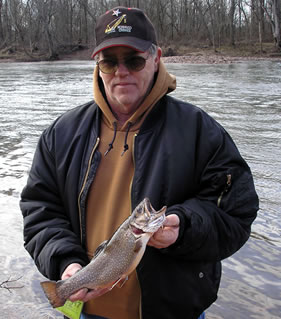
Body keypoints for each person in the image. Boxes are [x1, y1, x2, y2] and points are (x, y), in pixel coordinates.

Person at [20, 6, 259, 319]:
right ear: (97, 65)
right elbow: (40, 213)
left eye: (133, 60)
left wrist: (183, 228)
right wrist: (66, 264)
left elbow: (236, 214)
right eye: (109, 61)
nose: (121, 72)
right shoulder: (60, 135)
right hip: (84, 312)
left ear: (156, 57)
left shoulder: (200, 131)